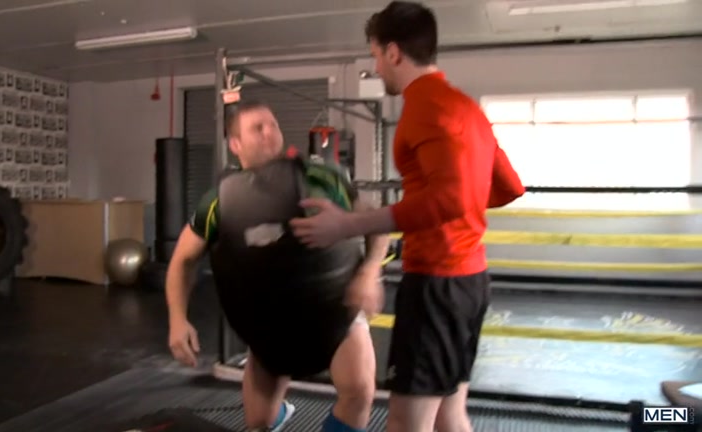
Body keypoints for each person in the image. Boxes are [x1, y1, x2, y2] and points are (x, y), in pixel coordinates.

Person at [288, 2, 526, 432]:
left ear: (394, 52)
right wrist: (461, 205)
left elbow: (449, 200)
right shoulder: (466, 108)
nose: (376, 67)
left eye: (376, 56)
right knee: (450, 415)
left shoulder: (424, 106)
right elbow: (507, 185)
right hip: (472, 282)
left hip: (436, 285)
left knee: (405, 422)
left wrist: (347, 224)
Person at [165, 100, 391, 432]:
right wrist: (177, 320)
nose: (270, 132)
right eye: (258, 128)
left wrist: (371, 273)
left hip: (334, 311)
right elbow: (183, 258)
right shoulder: (219, 200)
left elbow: (376, 223)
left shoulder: (324, 179)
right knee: (258, 424)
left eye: (273, 124)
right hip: (268, 326)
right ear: (235, 144)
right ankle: (279, 413)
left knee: (358, 391)